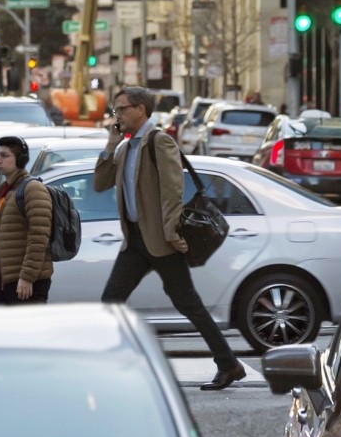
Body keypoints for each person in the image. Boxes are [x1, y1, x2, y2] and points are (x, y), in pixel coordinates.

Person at [94, 85, 246, 391]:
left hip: (161, 241)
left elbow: (173, 190)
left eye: (122, 109)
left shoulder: (158, 142)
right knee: (111, 301)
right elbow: (100, 183)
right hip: (136, 241)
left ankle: (228, 364)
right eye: (115, 110)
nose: (117, 115)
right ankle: (113, 363)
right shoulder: (125, 148)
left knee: (187, 303)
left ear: (140, 109)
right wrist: (110, 145)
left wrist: (172, 232)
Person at [0, 136, 53, 305]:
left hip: (22, 282)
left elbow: (39, 236)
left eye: (4, 155)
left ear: (20, 159)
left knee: (24, 329)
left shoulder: (33, 189)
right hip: (2, 279)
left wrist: (27, 277)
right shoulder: (6, 192)